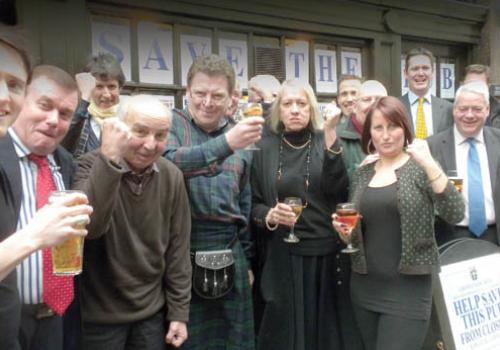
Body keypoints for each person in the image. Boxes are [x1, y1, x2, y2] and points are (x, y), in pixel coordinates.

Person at [332, 96, 464, 350]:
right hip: (364, 288)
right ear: (369, 133)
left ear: (405, 128)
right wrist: (345, 232)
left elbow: (455, 212)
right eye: (378, 128)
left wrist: (428, 162)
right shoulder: (362, 173)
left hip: (408, 291)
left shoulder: (421, 168)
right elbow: (357, 232)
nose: (386, 135)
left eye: (393, 126)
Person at [251, 78, 362, 350]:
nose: (295, 110)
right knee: (285, 334)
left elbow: (338, 189)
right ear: (278, 110)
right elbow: (252, 203)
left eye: (301, 103)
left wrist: (331, 134)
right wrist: (270, 215)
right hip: (283, 257)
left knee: (323, 334)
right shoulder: (264, 148)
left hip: (324, 253)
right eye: (287, 103)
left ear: (311, 109)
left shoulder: (325, 140)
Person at [73, 95, 191, 349]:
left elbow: (178, 250)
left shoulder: (172, 176)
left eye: (161, 136)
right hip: (98, 317)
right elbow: (90, 229)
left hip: (151, 315)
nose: (150, 145)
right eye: (140, 132)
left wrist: (179, 313)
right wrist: (110, 160)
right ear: (117, 128)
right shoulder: (88, 165)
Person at [164, 54, 264, 350]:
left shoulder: (241, 136)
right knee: (189, 341)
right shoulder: (171, 124)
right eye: (200, 93)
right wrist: (226, 144)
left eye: (217, 95)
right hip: (181, 251)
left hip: (230, 248)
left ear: (231, 97)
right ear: (187, 93)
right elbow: (170, 162)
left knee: (234, 341)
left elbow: (243, 204)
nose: (207, 102)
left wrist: (246, 258)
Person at [0, 28, 92, 350]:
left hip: (56, 315)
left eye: (65, 113)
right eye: (44, 105)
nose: (54, 120)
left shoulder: (65, 163)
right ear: (22, 101)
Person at [428, 81, 500, 246]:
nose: (469, 115)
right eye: (463, 109)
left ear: (487, 110)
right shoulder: (432, 147)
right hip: (450, 237)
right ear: (454, 110)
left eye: (477, 109)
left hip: (495, 236)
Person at [62, 52, 125, 158]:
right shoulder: (79, 118)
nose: (106, 95)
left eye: (112, 87)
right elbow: (59, 143)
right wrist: (85, 98)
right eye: (99, 87)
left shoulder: (129, 118)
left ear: (120, 88)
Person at [334, 80, 387, 179]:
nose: (373, 104)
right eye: (367, 99)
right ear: (354, 107)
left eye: (379, 99)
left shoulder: (398, 135)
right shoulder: (335, 137)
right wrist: (360, 173)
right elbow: (331, 188)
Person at [400, 47, 454, 138]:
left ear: (432, 72)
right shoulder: (396, 106)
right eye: (415, 68)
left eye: (425, 68)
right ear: (405, 73)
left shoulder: (448, 109)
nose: (421, 73)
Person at [463, 64, 500, 129]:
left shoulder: (497, 110)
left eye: (479, 84)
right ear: (463, 84)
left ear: (488, 86)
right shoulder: (452, 107)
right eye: (470, 84)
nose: (473, 88)